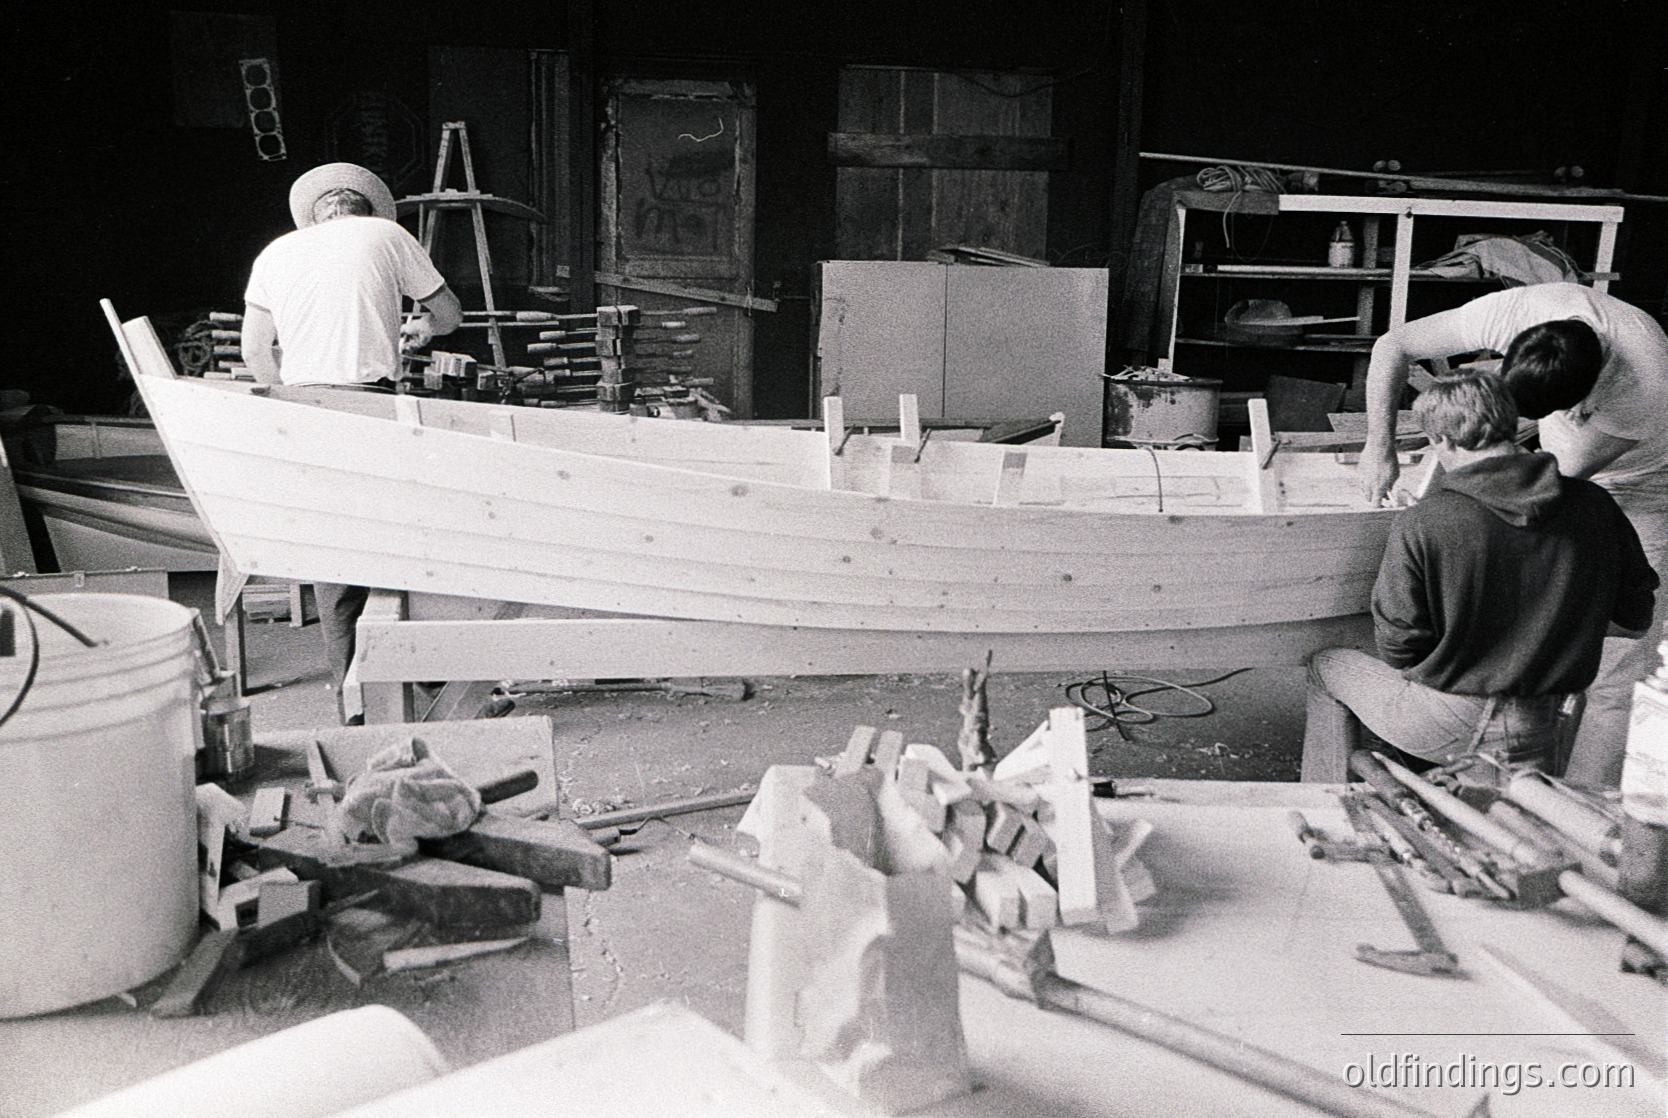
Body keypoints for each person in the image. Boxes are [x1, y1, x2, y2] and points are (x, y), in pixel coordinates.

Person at [1359, 283, 1668, 786]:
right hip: (1566, 474)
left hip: (1641, 482)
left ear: (1577, 405)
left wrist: (1443, 513)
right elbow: (1392, 345)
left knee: (1617, 671)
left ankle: (1578, 800)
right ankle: (1524, 731)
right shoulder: (1516, 311)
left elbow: (1547, 490)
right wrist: (1380, 446)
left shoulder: (1647, 385)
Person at [1306, 370, 1657, 780]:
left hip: (1452, 719)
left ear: (1443, 441)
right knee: (1497, 801)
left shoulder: (1426, 520)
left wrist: (1467, 639)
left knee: (1325, 665)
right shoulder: (1594, 503)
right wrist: (1552, 628)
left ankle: (1324, 799)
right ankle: (1455, 778)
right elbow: (1636, 617)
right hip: (1542, 724)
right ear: (1511, 424)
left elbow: (1399, 646)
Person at [241, 163, 463, 721]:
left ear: (315, 215)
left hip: (303, 405)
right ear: (365, 209)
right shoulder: (387, 233)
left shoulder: (274, 252)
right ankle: (435, 684)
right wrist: (423, 328)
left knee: (334, 554)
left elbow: (254, 352)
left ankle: (355, 701)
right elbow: (448, 313)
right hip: (369, 402)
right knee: (398, 544)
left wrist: (290, 405)